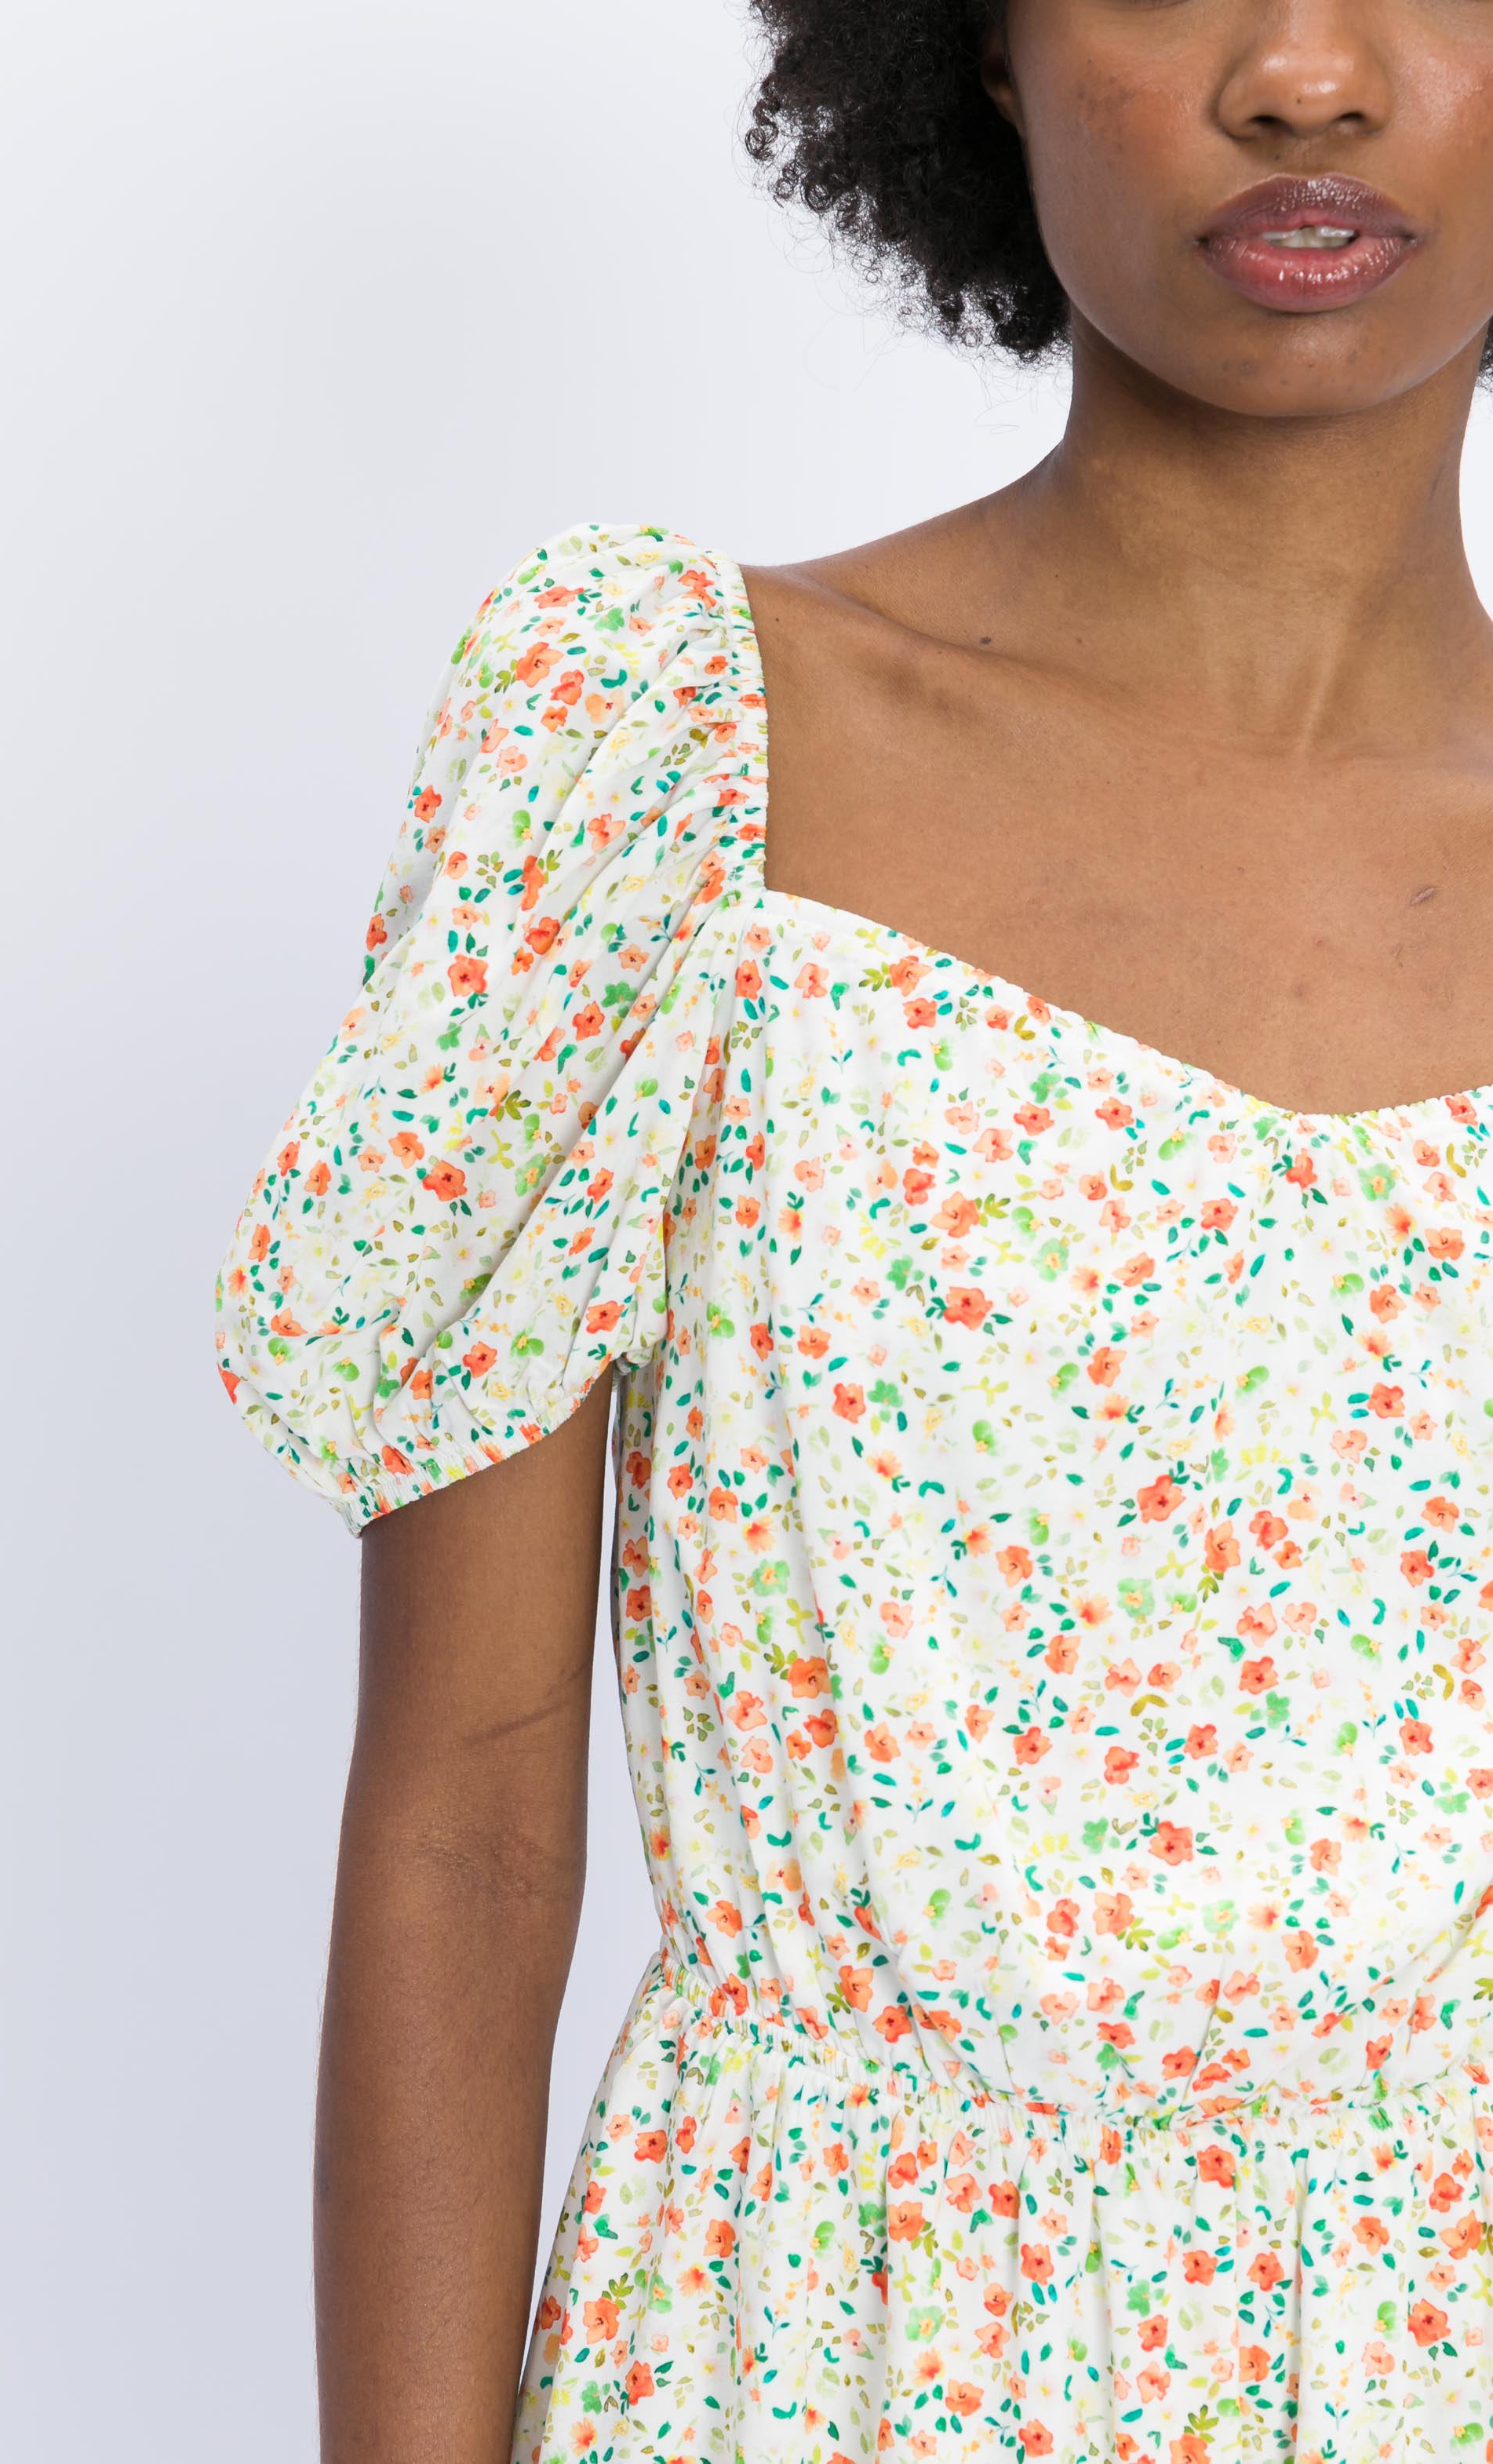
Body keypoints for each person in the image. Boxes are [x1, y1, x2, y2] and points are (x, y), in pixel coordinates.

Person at [213, 2, 1493, 2456]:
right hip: (815, 2367)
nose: (1306, 75)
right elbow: (471, 1807)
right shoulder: (677, 748)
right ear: (977, 47)